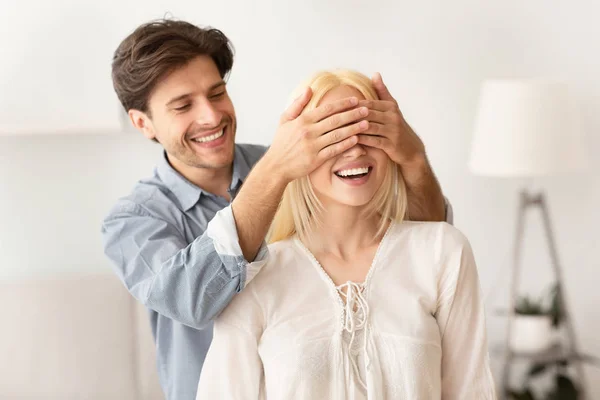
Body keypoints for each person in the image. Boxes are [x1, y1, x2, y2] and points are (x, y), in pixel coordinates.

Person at [102, 19, 452, 400]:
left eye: (217, 93)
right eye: (183, 105)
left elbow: (418, 248)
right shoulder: (133, 222)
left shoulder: (297, 165)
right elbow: (192, 300)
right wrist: (277, 171)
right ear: (143, 123)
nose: (210, 116)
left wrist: (413, 158)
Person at [196, 70, 496, 399]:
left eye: (368, 132)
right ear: (296, 152)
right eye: (333, 136)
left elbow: (472, 389)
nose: (354, 151)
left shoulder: (443, 252)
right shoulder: (255, 277)